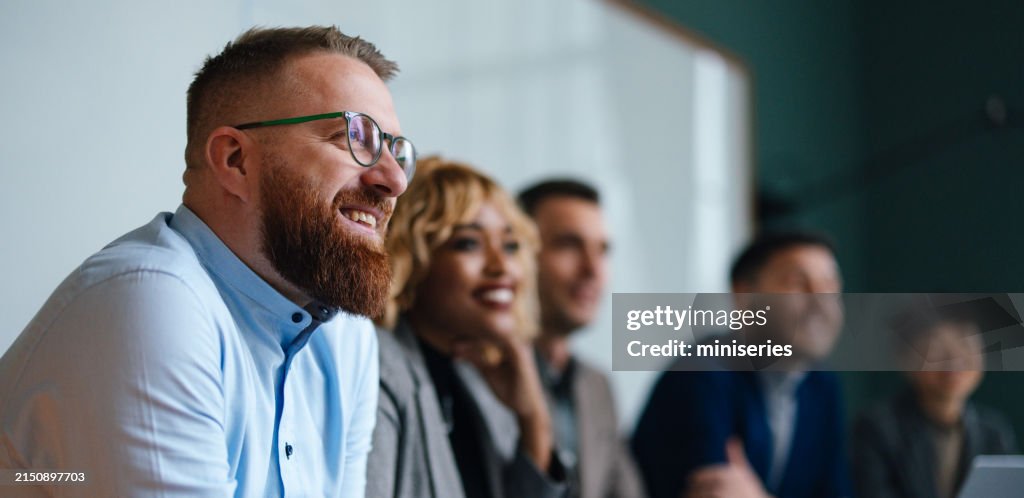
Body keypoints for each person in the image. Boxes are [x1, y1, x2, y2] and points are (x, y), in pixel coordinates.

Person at [0, 26, 413, 497]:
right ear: (235, 160)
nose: (395, 180)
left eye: (396, 151)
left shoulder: (346, 338)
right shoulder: (150, 299)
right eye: (354, 138)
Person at [367, 157, 567, 498]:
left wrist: (534, 418)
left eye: (510, 246)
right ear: (412, 258)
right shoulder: (378, 367)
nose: (501, 267)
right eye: (469, 243)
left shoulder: (478, 378)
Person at [631, 232, 851, 498]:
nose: (821, 300)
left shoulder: (821, 384)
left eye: (830, 285)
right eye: (797, 283)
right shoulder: (701, 374)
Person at [517, 179, 646, 498]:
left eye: (602, 250)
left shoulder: (597, 387)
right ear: (518, 253)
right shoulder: (483, 374)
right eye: (569, 245)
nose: (593, 269)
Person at [853, 302, 1018, 498]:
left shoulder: (994, 433)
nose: (954, 359)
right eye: (937, 348)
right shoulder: (877, 429)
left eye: (966, 344)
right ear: (905, 359)